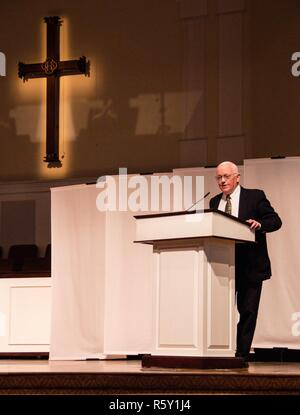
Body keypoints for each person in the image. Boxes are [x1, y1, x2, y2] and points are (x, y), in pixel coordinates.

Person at [209, 161, 282, 360]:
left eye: (226, 176)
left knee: (247, 311)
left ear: (237, 177)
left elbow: (275, 221)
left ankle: (241, 355)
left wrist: (260, 224)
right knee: (219, 311)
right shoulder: (214, 202)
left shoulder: (255, 196)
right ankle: (218, 352)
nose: (222, 181)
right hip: (223, 264)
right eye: (219, 177)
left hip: (250, 266)